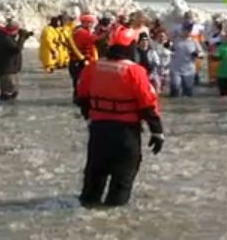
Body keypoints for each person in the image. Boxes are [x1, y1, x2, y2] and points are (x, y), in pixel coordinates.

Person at [74, 26, 164, 207]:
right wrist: (157, 132)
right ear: (130, 46)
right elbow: (147, 104)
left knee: (94, 177)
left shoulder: (93, 67)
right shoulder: (134, 71)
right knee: (122, 179)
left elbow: (81, 97)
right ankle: (114, 222)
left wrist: (91, 116)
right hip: (126, 133)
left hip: (99, 131)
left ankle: (87, 211)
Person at [0, 17, 32, 101]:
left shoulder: (3, 36)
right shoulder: (4, 38)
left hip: (7, 68)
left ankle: (6, 109)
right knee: (9, 91)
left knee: (11, 90)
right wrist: (22, 37)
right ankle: (7, 111)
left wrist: (24, 36)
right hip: (7, 69)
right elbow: (16, 49)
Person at [169, 25, 202, 97]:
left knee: (188, 92)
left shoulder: (194, 41)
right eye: (184, 30)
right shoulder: (176, 40)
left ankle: (187, 106)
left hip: (189, 70)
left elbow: (201, 54)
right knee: (175, 87)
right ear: (182, 31)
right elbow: (168, 49)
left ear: (190, 32)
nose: (186, 32)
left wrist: (196, 54)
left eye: (188, 31)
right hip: (176, 68)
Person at [71, 14, 100, 94]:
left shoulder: (78, 30)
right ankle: (81, 96)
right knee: (82, 79)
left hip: (80, 60)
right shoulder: (82, 33)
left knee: (79, 80)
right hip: (81, 61)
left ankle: (79, 95)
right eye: (92, 23)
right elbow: (95, 40)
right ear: (87, 23)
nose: (93, 25)